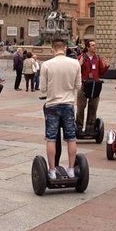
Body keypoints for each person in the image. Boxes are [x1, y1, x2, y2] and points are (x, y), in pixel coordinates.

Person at [39, 38, 81, 180]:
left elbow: (42, 89)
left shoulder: (46, 65)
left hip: (52, 104)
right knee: (71, 137)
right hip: (68, 103)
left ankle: (51, 170)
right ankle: (70, 169)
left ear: (53, 49)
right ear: (65, 48)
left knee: (51, 138)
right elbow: (78, 86)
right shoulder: (75, 63)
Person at [76, 39, 109, 135]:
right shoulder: (81, 57)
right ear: (88, 47)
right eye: (93, 45)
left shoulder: (97, 58)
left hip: (95, 85)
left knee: (93, 107)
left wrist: (106, 66)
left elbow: (101, 73)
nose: (95, 47)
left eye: (95, 45)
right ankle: (79, 126)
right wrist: (79, 65)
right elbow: (76, 71)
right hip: (84, 85)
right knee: (81, 107)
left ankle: (90, 127)